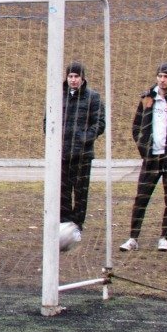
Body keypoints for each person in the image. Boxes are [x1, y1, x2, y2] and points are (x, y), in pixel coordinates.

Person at [120, 62, 167, 252]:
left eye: (166, 76)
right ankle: (133, 238)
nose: (162, 80)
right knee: (141, 197)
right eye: (160, 76)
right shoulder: (148, 97)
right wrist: (144, 149)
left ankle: (164, 238)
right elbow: (136, 126)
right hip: (151, 158)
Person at [58, 61, 105, 242]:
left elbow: (99, 123)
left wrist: (84, 138)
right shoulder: (58, 95)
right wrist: (54, 137)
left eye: (76, 76)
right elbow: (48, 119)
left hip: (82, 155)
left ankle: (77, 226)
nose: (73, 80)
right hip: (62, 154)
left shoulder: (93, 97)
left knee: (80, 194)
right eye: (70, 76)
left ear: (82, 78)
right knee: (62, 192)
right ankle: (64, 225)